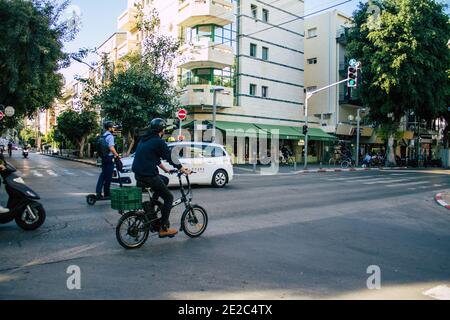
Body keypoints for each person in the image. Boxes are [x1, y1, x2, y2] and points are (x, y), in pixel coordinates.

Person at [132, 118, 191, 238]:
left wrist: (165, 170)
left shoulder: (145, 139)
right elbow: (170, 156)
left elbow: (155, 158)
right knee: (169, 197)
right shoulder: (158, 141)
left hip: (139, 174)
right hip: (148, 175)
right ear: (161, 130)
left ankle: (152, 204)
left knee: (164, 180)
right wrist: (181, 168)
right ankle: (164, 228)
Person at [95, 121, 120, 200]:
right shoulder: (110, 136)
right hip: (109, 158)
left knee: (103, 175)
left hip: (104, 158)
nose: (113, 128)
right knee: (108, 176)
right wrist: (117, 155)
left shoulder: (103, 135)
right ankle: (106, 193)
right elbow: (111, 148)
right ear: (109, 128)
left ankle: (100, 192)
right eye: (112, 127)